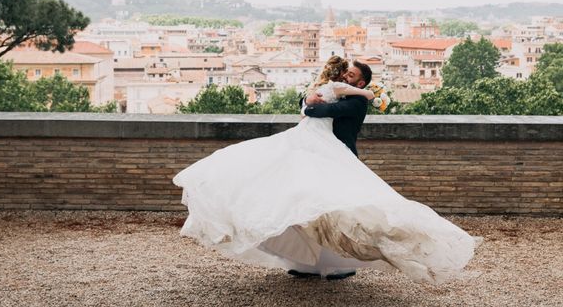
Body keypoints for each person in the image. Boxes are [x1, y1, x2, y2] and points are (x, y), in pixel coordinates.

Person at [173, 56, 478, 282]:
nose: (347, 74)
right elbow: (309, 101)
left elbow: (320, 109)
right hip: (313, 152)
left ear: (360, 82)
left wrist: (340, 98)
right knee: (307, 207)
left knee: (338, 211)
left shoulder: (357, 102)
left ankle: (339, 264)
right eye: (347, 71)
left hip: (337, 157)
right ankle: (309, 262)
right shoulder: (342, 90)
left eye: (353, 74)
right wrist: (310, 99)